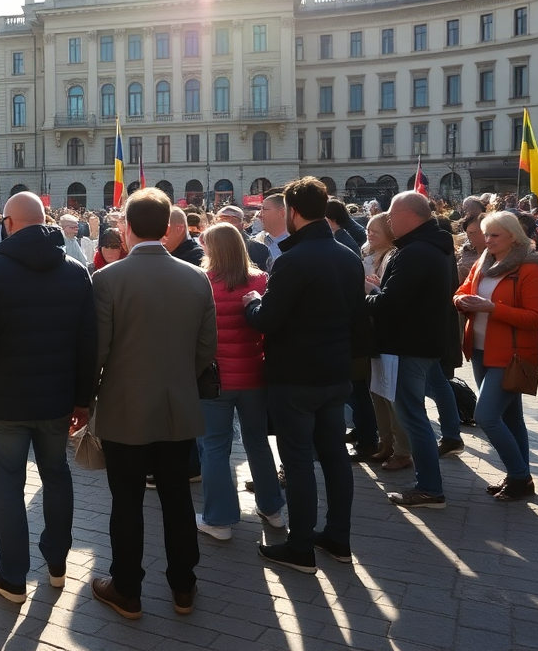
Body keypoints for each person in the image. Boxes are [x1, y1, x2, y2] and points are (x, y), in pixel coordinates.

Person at [0, 192, 96, 605]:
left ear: (9, 223)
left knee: (8, 484)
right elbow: (89, 344)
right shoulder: (75, 271)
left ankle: (13, 576)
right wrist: (82, 400)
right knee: (56, 476)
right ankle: (56, 565)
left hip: (6, 401)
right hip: (57, 401)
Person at [89, 188, 216, 619]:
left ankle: (127, 588)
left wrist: (85, 401)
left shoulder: (107, 279)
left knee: (126, 501)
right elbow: (205, 349)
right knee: (178, 497)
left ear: (125, 228)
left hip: (124, 406)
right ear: (167, 228)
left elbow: (98, 352)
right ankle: (184, 586)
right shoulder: (196, 277)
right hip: (178, 403)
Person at [243, 177, 363, 573]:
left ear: (293, 213)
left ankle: (300, 547)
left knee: (297, 461)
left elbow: (268, 320)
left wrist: (252, 303)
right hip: (335, 373)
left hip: (296, 376)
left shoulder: (292, 260)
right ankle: (339, 537)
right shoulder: (348, 255)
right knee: (334, 456)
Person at [365, 191, 456, 510]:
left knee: (412, 417)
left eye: (391, 213)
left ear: (410, 215)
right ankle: (429, 485)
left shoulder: (414, 252)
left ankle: (430, 488)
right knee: (414, 414)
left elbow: (390, 303)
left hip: (409, 345)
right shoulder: (428, 247)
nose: (387, 219)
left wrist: (365, 297)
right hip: (421, 342)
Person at [195, 223, 284, 542]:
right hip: (254, 375)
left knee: (215, 447)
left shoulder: (202, 282)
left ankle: (220, 519)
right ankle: (272, 508)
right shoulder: (261, 279)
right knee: (258, 441)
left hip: (214, 379)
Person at [454, 212, 538, 501]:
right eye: (486, 234)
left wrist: (492, 308)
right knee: (512, 417)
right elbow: (461, 291)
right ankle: (521, 476)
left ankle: (519, 476)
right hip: (481, 350)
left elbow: (535, 318)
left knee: (486, 416)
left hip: (512, 353)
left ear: (513, 236)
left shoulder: (529, 267)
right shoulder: (484, 261)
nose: (487, 240)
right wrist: (462, 301)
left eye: (495, 235)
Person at [362, 212, 412, 469]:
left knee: (390, 394)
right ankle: (386, 443)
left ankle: (402, 450)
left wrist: (374, 289)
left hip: (388, 334)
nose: (369, 235)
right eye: (368, 230)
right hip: (373, 332)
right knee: (377, 392)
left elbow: (390, 297)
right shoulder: (370, 256)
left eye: (375, 231)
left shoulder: (394, 257)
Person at [216, 205, 271, 269]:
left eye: (233, 221)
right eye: (222, 221)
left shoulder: (257, 248)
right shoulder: (207, 246)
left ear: (242, 225)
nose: (227, 225)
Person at [252, 193, 290, 264]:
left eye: (264, 209)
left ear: (282, 212)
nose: (259, 215)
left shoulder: (299, 243)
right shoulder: (254, 243)